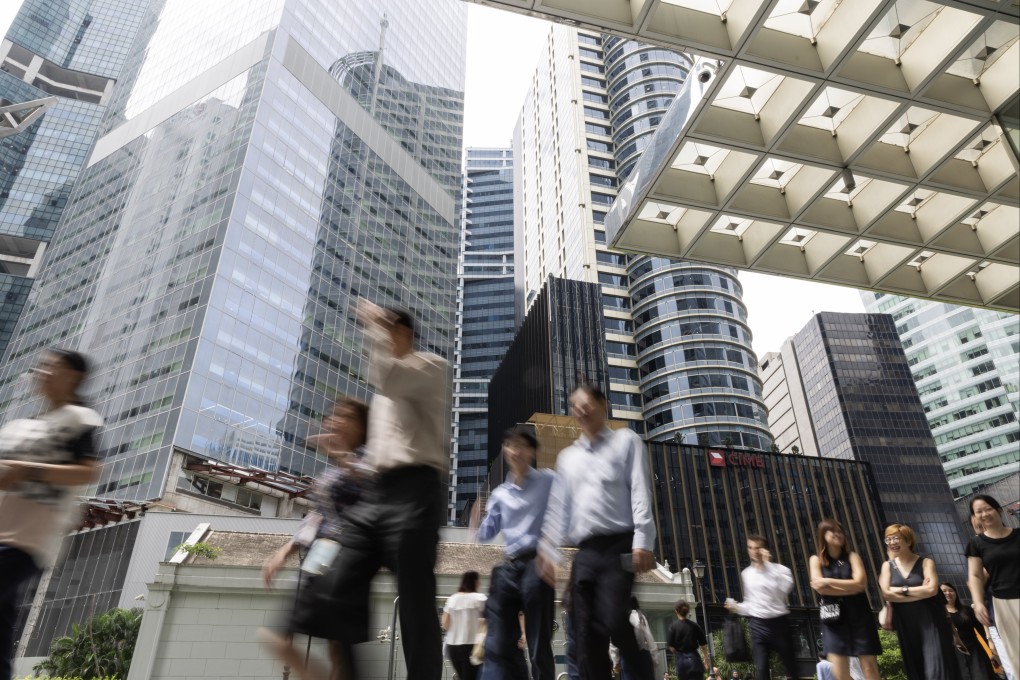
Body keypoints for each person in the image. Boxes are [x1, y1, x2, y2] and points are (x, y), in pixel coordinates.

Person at [325, 300, 449, 680]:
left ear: (405, 333)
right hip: (377, 495)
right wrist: (345, 458)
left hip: (418, 493)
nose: (380, 330)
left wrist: (372, 326)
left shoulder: (432, 367)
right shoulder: (381, 397)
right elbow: (374, 460)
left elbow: (389, 379)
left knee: (415, 604)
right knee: (335, 589)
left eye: (388, 326)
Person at [538, 384, 657, 680]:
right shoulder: (568, 458)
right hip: (585, 554)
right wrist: (548, 550)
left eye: (586, 403)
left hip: (620, 547)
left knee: (614, 617)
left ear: (603, 405)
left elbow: (640, 490)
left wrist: (644, 539)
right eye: (574, 405)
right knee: (586, 635)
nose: (580, 410)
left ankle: (640, 667)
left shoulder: (626, 442)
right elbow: (559, 509)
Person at [0, 350, 102, 680]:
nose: (41, 371)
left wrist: (28, 470)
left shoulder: (79, 419)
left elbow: (87, 472)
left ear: (74, 376)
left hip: (27, 541)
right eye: (39, 366)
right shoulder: (17, 427)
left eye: (51, 366)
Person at [259, 398, 371, 680]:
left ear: (362, 425)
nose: (335, 421)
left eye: (345, 416)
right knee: (335, 650)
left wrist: (343, 457)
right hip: (322, 559)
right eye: (333, 416)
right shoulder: (333, 470)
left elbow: (374, 487)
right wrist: (285, 550)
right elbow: (317, 516)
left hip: (347, 560)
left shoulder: (370, 457)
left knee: (330, 649)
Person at [471, 426, 555, 680]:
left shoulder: (548, 480)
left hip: (536, 564)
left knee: (538, 644)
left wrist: (552, 553)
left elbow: (563, 515)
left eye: (521, 445)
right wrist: (477, 523)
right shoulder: (500, 494)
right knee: (498, 641)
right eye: (510, 445)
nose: (515, 451)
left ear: (531, 451)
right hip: (509, 567)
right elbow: (487, 534)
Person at [878, 523, 961, 680]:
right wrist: (919, 592)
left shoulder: (925, 562)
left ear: (909, 541)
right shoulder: (887, 567)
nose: (892, 543)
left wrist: (900, 591)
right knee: (917, 670)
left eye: (896, 538)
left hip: (931, 622)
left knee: (937, 669)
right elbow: (886, 594)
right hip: (905, 624)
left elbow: (931, 590)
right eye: (888, 539)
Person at [808, 518, 881, 680]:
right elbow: (818, 588)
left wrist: (828, 582)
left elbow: (861, 584)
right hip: (832, 618)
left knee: (869, 667)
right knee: (840, 671)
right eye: (832, 531)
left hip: (859, 615)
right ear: (823, 535)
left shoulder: (852, 556)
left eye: (840, 531)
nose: (838, 534)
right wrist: (849, 586)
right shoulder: (816, 560)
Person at [724, 534, 798, 680]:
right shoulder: (747, 574)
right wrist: (736, 607)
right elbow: (750, 604)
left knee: (791, 667)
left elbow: (786, 588)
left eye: (758, 548)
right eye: (750, 548)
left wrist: (769, 565)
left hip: (779, 622)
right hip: (758, 625)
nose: (754, 551)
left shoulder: (781, 570)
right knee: (762, 668)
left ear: (765, 549)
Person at [967, 494, 1019, 675]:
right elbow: (973, 576)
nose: (984, 514)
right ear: (974, 516)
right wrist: (978, 602)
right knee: (1016, 655)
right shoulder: (976, 544)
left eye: (988, 509)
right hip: (1003, 604)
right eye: (978, 511)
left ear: (998, 510)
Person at [942, 582, 998, 680]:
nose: (948, 593)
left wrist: (992, 652)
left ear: (955, 593)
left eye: (951, 590)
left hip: (975, 652)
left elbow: (982, 631)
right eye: (944, 591)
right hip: (954, 655)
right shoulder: (939, 615)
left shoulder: (967, 610)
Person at [443, 571, 487, 680]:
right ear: (476, 582)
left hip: (453, 646)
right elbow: (488, 621)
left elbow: (445, 624)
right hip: (472, 646)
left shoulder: (452, 599)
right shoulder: (480, 598)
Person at [609, 597, 660, 680]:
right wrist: (655, 658)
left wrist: (616, 662)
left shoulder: (618, 618)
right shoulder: (640, 616)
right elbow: (649, 638)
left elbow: (613, 643)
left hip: (626, 657)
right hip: (642, 656)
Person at [665, 600, 708, 680]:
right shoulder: (695, 626)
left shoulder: (673, 627)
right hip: (694, 659)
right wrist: (706, 659)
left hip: (681, 661)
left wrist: (677, 650)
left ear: (676, 611)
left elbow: (671, 647)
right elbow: (703, 644)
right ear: (688, 611)